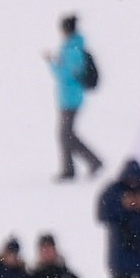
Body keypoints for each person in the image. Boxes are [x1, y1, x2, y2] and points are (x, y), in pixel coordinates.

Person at [45, 15, 103, 180]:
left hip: (71, 98)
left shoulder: (72, 49)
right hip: (68, 97)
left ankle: (83, 164)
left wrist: (51, 63)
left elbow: (65, 74)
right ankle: (74, 167)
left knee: (65, 134)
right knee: (65, 134)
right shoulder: (71, 47)